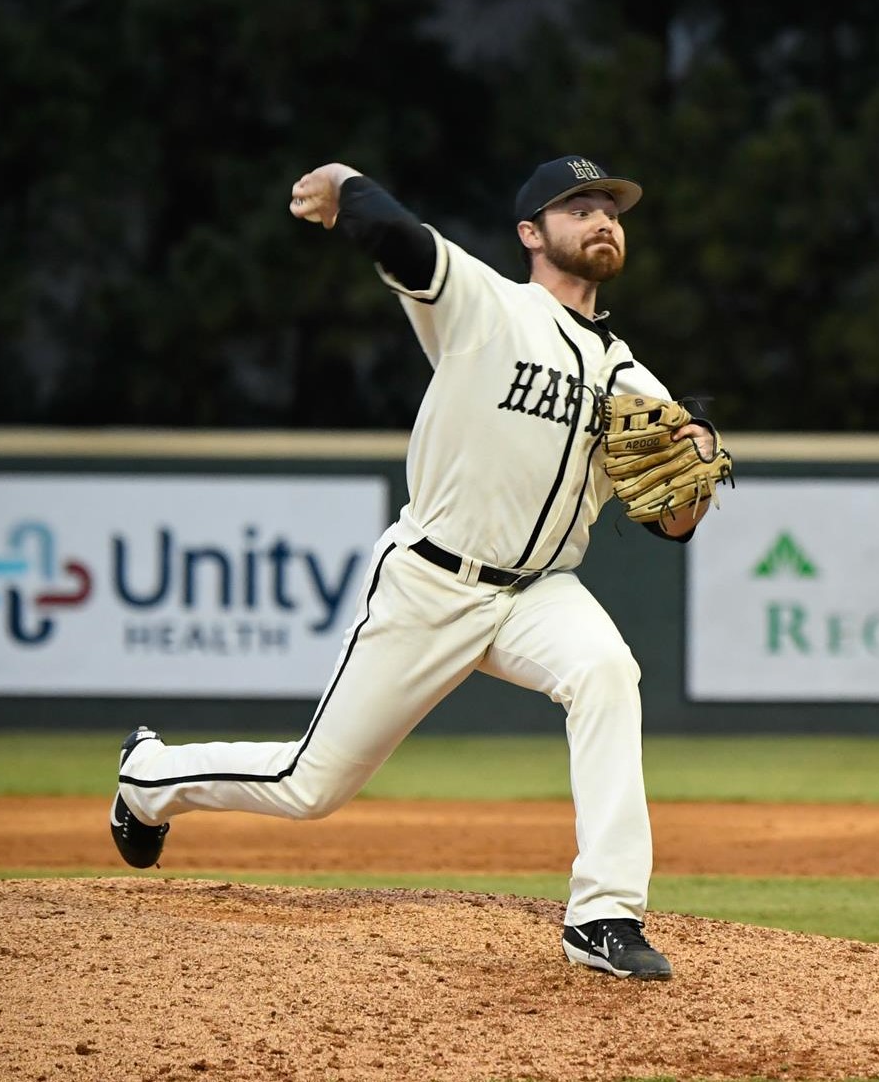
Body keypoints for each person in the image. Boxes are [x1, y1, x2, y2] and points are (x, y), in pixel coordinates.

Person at [109, 154, 722, 981]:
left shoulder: (634, 382)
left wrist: (700, 455)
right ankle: (149, 777)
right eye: (578, 207)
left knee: (609, 670)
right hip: (431, 582)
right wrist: (346, 184)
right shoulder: (487, 306)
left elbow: (673, 522)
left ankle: (604, 915)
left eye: (612, 207)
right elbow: (402, 243)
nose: (603, 218)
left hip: (539, 592)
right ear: (531, 234)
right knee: (309, 786)